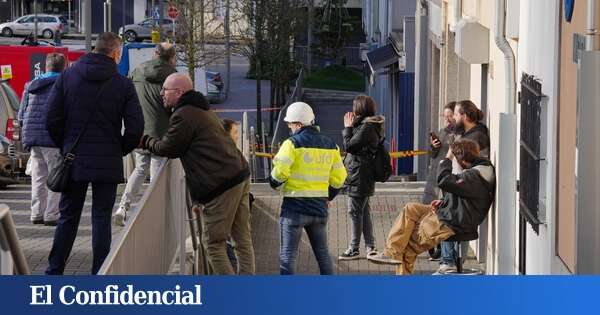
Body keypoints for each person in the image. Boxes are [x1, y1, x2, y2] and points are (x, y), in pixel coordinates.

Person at [45, 32, 144, 275]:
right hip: (107, 161)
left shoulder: (67, 76)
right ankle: (99, 273)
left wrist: (66, 144)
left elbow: (51, 118)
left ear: (94, 49)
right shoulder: (123, 84)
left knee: (68, 217)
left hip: (73, 159)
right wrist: (119, 148)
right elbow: (136, 127)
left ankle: (54, 270)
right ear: (116, 53)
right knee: (101, 218)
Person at [140, 73, 255, 275]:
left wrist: (146, 141)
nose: (162, 94)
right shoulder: (201, 109)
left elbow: (168, 147)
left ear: (179, 92)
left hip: (221, 185)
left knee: (213, 243)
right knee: (241, 239)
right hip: (239, 174)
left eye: (165, 89)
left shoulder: (184, 114)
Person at [368, 139, 495, 275]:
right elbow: (463, 193)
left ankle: (397, 265)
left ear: (463, 161)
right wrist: (443, 201)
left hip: (452, 221)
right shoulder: (481, 167)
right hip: (452, 211)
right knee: (411, 208)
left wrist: (447, 159)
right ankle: (391, 251)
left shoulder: (474, 176)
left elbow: (444, 180)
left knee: (407, 249)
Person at [269, 102, 347, 275]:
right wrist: (328, 197)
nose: (289, 127)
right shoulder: (330, 145)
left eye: (290, 124)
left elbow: (279, 173)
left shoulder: (291, 144)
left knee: (288, 257)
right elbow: (340, 178)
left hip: (293, 210)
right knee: (323, 256)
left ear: (298, 124)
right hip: (319, 210)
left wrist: (273, 182)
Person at [114, 43, 177, 226]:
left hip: (140, 132)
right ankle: (153, 214)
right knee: (156, 175)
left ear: (155, 53)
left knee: (140, 169)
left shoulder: (137, 71)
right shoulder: (172, 76)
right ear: (171, 57)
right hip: (161, 134)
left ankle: (123, 207)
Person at [436, 99, 491, 274]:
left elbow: (466, 165)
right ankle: (449, 261)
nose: (452, 119)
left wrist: (450, 156)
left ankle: (449, 262)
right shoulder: (463, 133)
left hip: (463, 188)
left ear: (465, 116)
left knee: (447, 218)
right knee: (446, 213)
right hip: (457, 186)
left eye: (455, 114)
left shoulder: (476, 137)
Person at [18, 52, 67, 226]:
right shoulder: (63, 84)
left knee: (38, 177)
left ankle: (36, 213)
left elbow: (21, 115)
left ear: (46, 67)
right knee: (56, 177)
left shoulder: (30, 86)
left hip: (33, 138)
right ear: (64, 67)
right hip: (53, 138)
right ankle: (51, 215)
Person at [338, 95, 384, 260]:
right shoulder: (367, 126)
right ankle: (370, 246)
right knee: (362, 212)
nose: (352, 110)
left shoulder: (367, 128)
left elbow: (349, 146)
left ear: (360, 109)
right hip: (361, 175)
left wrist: (347, 128)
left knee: (354, 212)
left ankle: (353, 248)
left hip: (360, 176)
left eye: (354, 106)